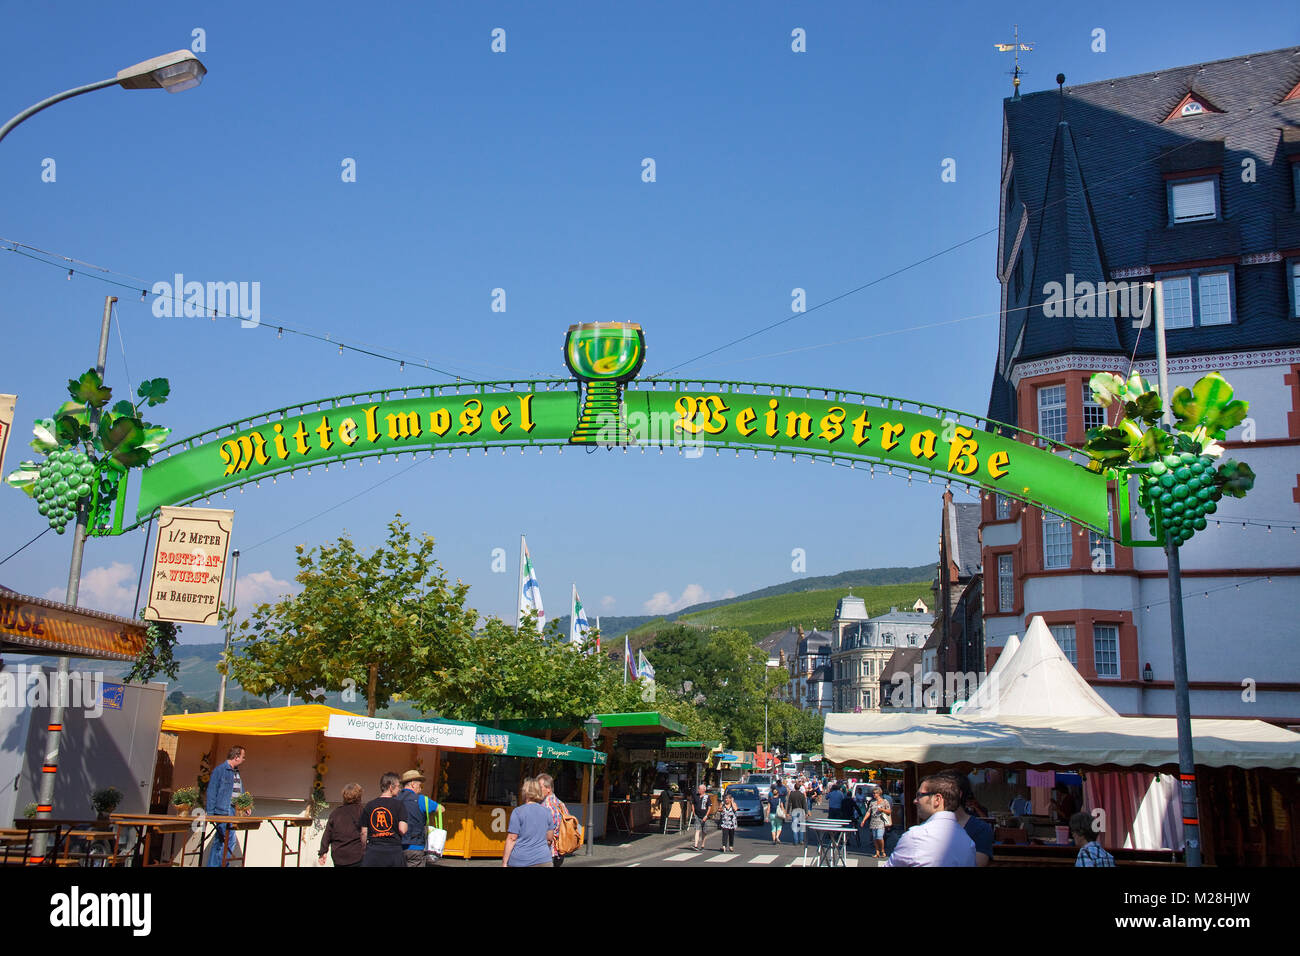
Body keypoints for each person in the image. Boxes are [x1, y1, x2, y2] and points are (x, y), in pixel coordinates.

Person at [883, 774, 976, 867]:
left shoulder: (916, 836)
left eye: (919, 795)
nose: (915, 801)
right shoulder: (968, 841)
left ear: (937, 799)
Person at [204, 744, 247, 867]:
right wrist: (210, 814)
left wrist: (246, 805)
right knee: (230, 839)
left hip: (233, 810)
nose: (244, 760)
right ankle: (222, 865)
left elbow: (240, 790)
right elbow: (212, 791)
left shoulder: (236, 772)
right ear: (236, 757)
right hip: (223, 811)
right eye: (243, 757)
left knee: (220, 840)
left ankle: (212, 865)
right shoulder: (220, 770)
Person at [940, 771, 994, 867]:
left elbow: (979, 863)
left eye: (939, 792)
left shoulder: (980, 828)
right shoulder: (926, 827)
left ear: (957, 794)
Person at [504, 776, 556, 867]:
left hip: (521, 860)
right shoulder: (547, 812)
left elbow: (512, 838)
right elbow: (549, 838)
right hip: (543, 860)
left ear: (525, 792)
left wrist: (504, 862)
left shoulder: (518, 812)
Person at [360, 772, 408, 867]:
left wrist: (365, 848)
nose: (399, 790)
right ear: (391, 786)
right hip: (393, 852)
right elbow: (402, 830)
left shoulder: (369, 805)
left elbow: (364, 832)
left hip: (374, 851)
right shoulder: (399, 805)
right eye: (398, 786)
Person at [397, 769, 443, 867]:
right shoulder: (422, 800)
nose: (421, 789)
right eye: (420, 785)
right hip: (416, 847)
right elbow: (441, 809)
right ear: (413, 784)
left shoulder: (395, 799)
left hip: (396, 846)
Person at [318, 782, 365, 867]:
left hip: (339, 856)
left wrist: (323, 851)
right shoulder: (361, 811)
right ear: (359, 795)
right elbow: (365, 832)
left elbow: (327, 833)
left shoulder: (336, 813)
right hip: (356, 855)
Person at [537, 773, 571, 867]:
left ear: (548, 789)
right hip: (560, 851)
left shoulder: (544, 806)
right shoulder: (561, 804)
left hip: (546, 852)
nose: (536, 790)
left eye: (539, 787)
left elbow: (543, 833)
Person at [866, 786, 893, 859]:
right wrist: (864, 820)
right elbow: (869, 811)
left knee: (879, 836)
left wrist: (882, 810)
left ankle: (882, 851)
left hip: (881, 821)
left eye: (875, 793)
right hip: (873, 821)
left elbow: (889, 811)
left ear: (879, 793)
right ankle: (877, 852)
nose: (874, 794)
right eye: (873, 793)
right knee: (875, 838)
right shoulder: (872, 802)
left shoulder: (885, 801)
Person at [691, 784, 713, 851]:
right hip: (697, 815)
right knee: (697, 830)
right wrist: (694, 812)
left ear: (704, 790)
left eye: (700, 789)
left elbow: (709, 807)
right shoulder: (696, 796)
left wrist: (706, 815)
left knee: (704, 831)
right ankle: (696, 845)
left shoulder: (707, 797)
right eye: (698, 789)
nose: (698, 790)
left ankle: (702, 845)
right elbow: (693, 804)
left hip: (704, 816)